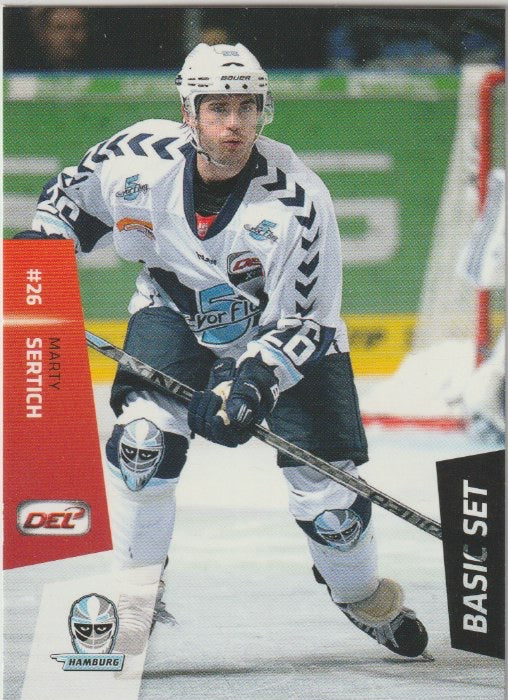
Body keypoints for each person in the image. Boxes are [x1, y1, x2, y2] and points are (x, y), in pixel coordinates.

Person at [14, 42, 429, 660]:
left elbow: (307, 322)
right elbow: (69, 205)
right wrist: (40, 251)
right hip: (175, 313)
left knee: (331, 511)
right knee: (141, 446)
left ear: (263, 112)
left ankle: (361, 594)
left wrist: (252, 384)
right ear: (189, 112)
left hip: (279, 338)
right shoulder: (136, 157)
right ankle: (134, 603)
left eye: (246, 108)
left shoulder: (298, 201)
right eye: (217, 108)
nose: (233, 124)